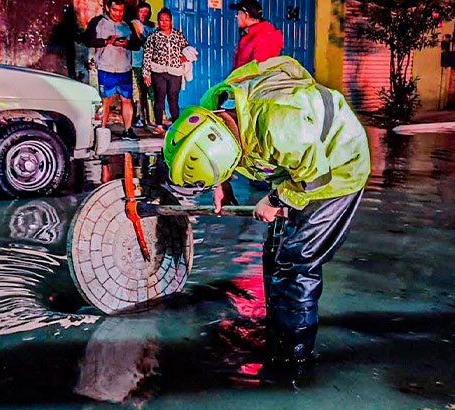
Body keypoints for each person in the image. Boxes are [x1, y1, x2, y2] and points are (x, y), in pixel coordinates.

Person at [162, 56, 371, 379]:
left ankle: (293, 358)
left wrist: (274, 199)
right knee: (274, 254)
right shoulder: (213, 105)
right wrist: (221, 183)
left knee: (297, 261)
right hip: (298, 159)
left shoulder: (278, 124)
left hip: (337, 164)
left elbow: (315, 177)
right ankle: (277, 329)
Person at [83, 0, 142, 141]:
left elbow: (137, 44)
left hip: (124, 68)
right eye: (115, 10)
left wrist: (128, 43)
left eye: (121, 11)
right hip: (106, 68)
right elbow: (86, 40)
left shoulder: (127, 25)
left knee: (127, 99)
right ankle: (102, 131)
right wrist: (106, 41)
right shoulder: (98, 22)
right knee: (106, 101)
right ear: (108, 8)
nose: (118, 14)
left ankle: (128, 130)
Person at [142, 7, 189, 136]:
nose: (164, 22)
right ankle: (159, 125)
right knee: (159, 98)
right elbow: (147, 55)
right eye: (161, 20)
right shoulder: (153, 37)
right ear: (158, 21)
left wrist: (186, 57)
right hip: (159, 71)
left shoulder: (178, 35)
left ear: (171, 21)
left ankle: (176, 125)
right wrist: (146, 74)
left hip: (175, 72)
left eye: (166, 20)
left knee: (173, 99)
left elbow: (187, 49)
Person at [229, 0, 283, 69]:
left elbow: (260, 74)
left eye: (238, 13)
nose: (237, 17)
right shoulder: (250, 35)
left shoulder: (265, 38)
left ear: (246, 15)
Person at [131, 1, 155, 128]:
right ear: (137, 13)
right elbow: (141, 39)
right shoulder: (135, 24)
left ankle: (153, 119)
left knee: (151, 92)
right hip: (136, 64)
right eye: (141, 12)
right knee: (139, 93)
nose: (144, 15)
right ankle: (141, 118)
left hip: (151, 65)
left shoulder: (153, 26)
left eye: (147, 12)